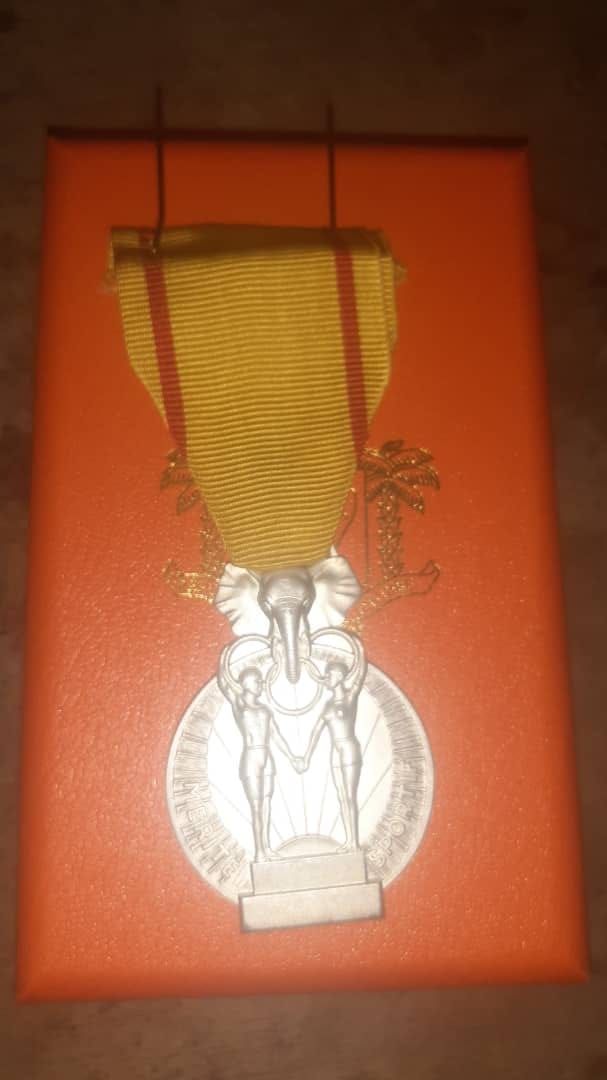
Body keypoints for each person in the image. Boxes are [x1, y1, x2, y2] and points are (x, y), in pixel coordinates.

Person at [217, 656, 301, 862]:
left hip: (267, 758)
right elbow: (223, 683)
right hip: (251, 759)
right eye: (257, 681)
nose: (261, 684)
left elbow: (276, 736)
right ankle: (259, 851)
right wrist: (224, 657)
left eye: (261, 681)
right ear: (245, 684)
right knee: (256, 807)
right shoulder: (239, 706)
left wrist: (292, 757)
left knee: (267, 804)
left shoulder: (265, 710)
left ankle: (267, 847)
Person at [302, 635, 367, 850]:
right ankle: (349, 840)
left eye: (329, 674)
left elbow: (360, 673)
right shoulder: (328, 705)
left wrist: (358, 648)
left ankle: (354, 841)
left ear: (339, 676)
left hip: (349, 749)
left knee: (350, 795)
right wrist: (306, 757)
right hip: (335, 753)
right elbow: (316, 731)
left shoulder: (349, 697)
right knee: (341, 796)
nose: (326, 678)